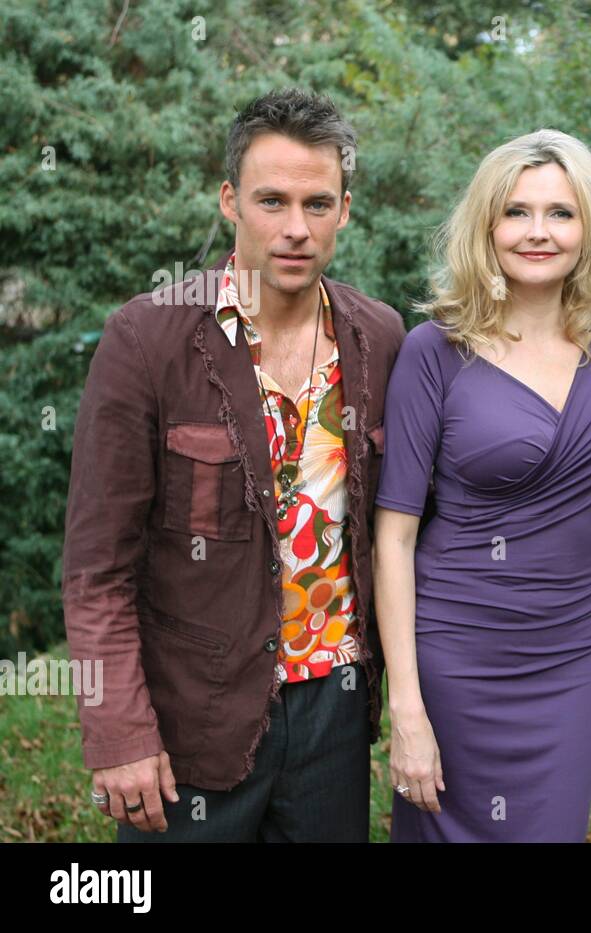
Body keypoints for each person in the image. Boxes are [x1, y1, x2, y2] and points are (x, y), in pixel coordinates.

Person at [61, 88, 407, 842]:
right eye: (271, 200)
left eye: (318, 204)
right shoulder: (147, 338)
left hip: (334, 713)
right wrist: (120, 733)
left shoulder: (380, 335)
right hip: (195, 718)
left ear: (345, 209)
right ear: (229, 200)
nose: (295, 229)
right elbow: (96, 569)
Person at [372, 129, 591, 842]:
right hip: (456, 656)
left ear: (589, 225)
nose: (539, 232)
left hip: (569, 658)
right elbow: (392, 538)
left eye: (561, 212)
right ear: (486, 225)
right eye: (517, 212)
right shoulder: (437, 350)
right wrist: (408, 709)